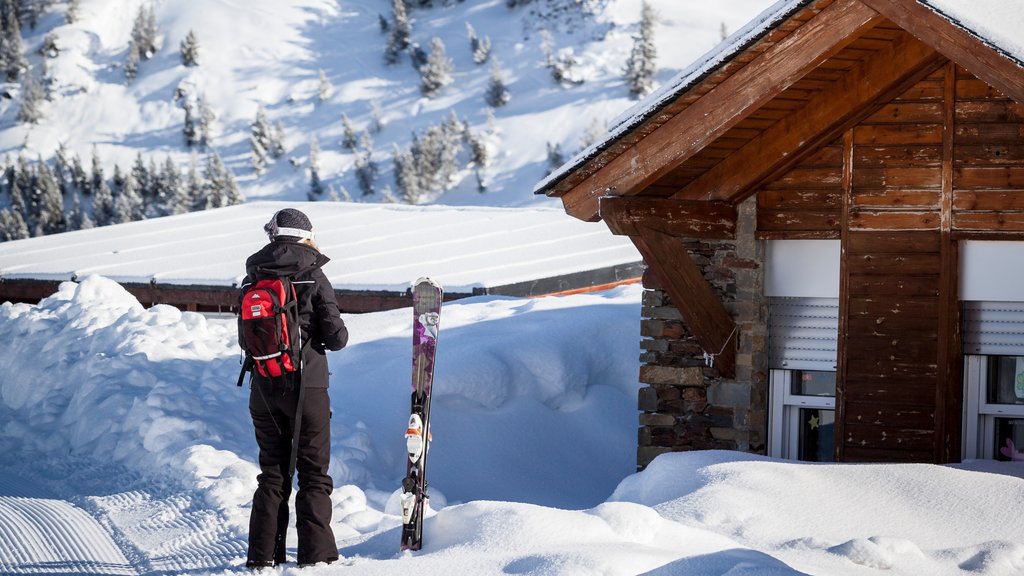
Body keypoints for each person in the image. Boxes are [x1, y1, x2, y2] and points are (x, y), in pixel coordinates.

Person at [240, 208, 348, 569]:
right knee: (314, 474)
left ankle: (261, 558)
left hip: (264, 385)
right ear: (305, 235)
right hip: (308, 386)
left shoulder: (253, 275)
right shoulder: (314, 274)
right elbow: (335, 337)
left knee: (272, 472)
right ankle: (316, 559)